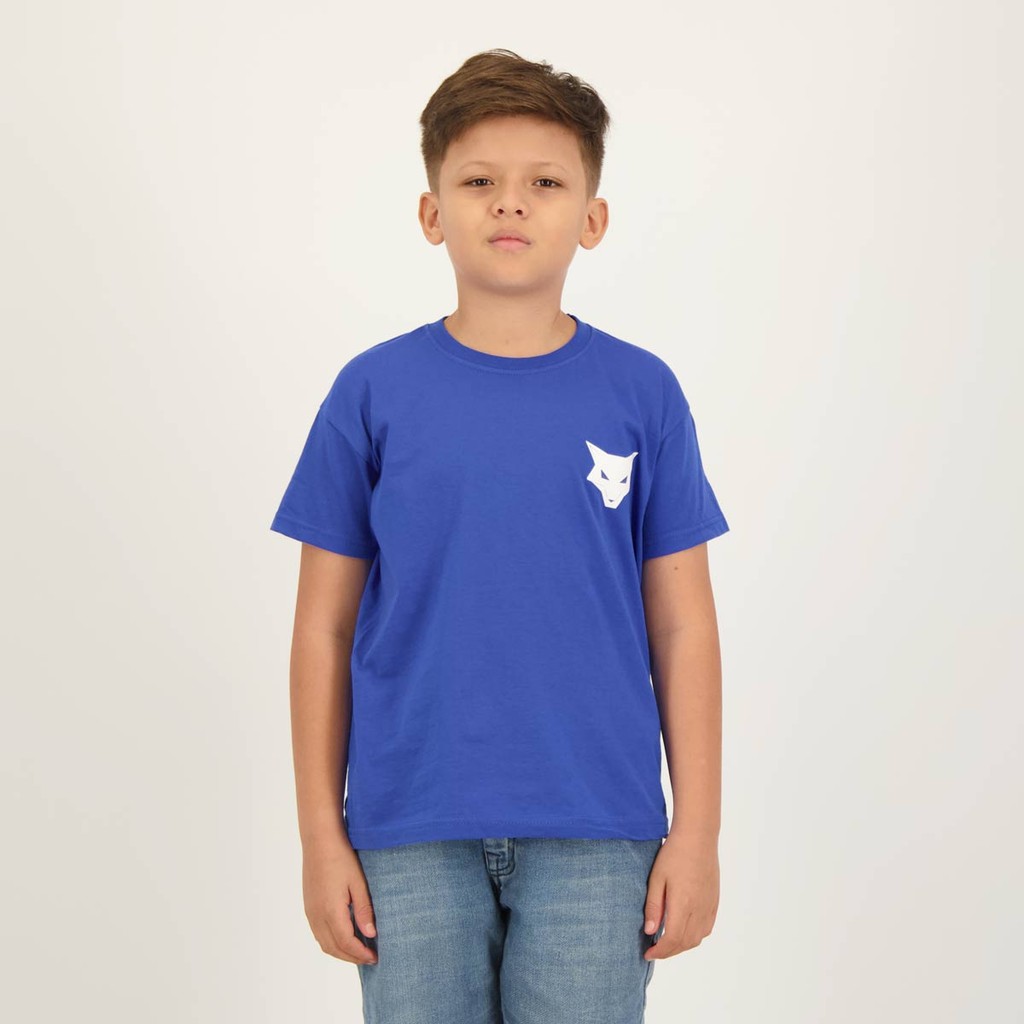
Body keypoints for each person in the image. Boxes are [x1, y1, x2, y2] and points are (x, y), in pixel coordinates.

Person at [270, 47, 730, 1024]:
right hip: (406, 824)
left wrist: (697, 834)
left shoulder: (643, 393)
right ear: (431, 211)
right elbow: (322, 628)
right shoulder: (371, 392)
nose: (510, 202)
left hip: (598, 826)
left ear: (592, 218)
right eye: (479, 181)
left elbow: (683, 625)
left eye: (545, 183)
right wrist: (318, 834)